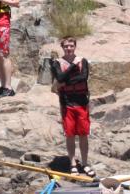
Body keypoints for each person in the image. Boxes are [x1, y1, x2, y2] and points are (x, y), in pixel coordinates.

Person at [49, 37, 94, 178]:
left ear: (75, 46)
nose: (69, 49)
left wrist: (65, 80)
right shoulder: (57, 63)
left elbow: (83, 78)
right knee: (69, 134)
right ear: (62, 48)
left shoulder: (83, 61)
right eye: (66, 46)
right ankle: (73, 163)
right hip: (66, 102)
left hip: (81, 102)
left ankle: (85, 163)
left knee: (83, 134)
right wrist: (73, 68)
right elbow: (60, 78)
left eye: (71, 46)